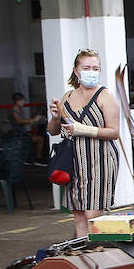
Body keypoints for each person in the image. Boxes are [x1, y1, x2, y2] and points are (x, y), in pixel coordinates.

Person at [47, 48, 121, 238]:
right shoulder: (67, 97)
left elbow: (114, 132)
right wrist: (55, 117)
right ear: (76, 71)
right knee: (78, 215)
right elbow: (54, 131)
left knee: (92, 215)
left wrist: (82, 129)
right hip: (74, 163)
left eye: (95, 68)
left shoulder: (105, 96)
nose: (91, 71)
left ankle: (97, 256)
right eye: (86, 67)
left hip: (100, 161)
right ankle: (83, 257)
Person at [8, 92, 47, 164]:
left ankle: (33, 158)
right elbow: (19, 121)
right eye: (22, 100)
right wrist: (32, 120)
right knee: (40, 139)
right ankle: (37, 158)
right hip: (19, 135)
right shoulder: (13, 111)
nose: (23, 102)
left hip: (23, 133)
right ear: (18, 101)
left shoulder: (19, 110)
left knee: (39, 138)